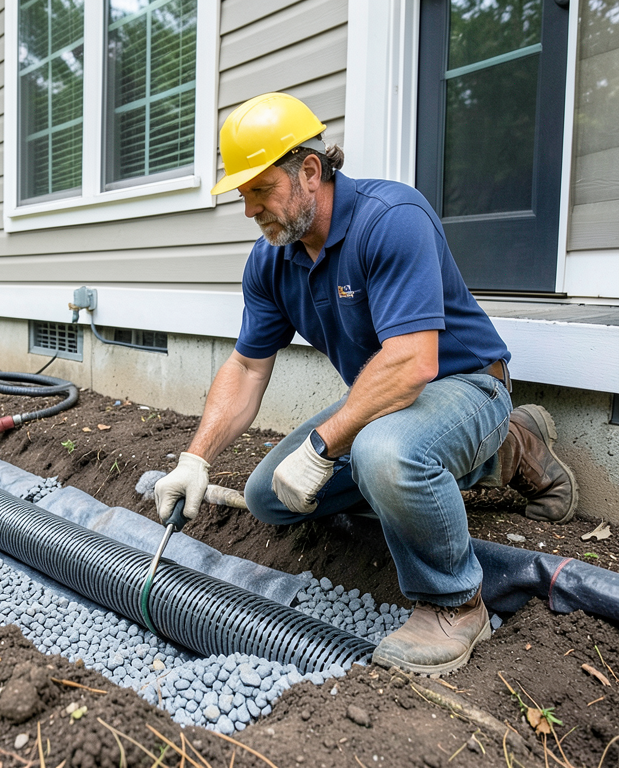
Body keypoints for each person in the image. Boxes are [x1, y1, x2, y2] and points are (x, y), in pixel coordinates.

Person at [154, 93, 579, 675]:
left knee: (383, 452)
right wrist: (195, 459)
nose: (250, 209)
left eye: (260, 190)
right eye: (242, 195)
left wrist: (324, 446)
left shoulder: (391, 219)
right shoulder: (272, 259)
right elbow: (248, 367)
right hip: (392, 404)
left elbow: (412, 362)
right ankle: (498, 453)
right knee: (267, 497)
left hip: (467, 384)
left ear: (309, 170)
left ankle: (455, 602)